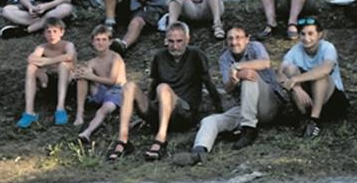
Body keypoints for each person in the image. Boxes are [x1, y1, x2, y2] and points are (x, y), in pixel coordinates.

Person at [107, 21, 220, 161]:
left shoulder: (196, 54)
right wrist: (146, 112)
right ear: (166, 40)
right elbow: (153, 84)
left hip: (183, 112)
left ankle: (161, 139)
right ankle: (123, 140)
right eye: (171, 41)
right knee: (128, 86)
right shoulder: (160, 56)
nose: (175, 46)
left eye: (179, 41)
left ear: (187, 39)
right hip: (161, 108)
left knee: (163, 87)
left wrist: (219, 108)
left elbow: (208, 82)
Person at [174, 26, 284, 165]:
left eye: (238, 37)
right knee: (211, 121)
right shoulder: (224, 58)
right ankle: (199, 151)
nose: (234, 42)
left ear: (247, 39)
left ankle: (248, 130)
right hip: (245, 107)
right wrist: (233, 80)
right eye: (230, 38)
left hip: (269, 105)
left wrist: (238, 67)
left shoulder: (256, 47)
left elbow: (265, 63)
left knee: (249, 75)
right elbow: (228, 88)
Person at [277, 16, 350, 139]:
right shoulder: (295, 50)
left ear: (320, 34)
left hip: (332, 100)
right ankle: (303, 118)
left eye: (311, 33)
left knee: (320, 75)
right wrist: (297, 88)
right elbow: (279, 74)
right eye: (303, 34)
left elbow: (325, 69)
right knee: (290, 69)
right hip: (308, 99)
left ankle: (314, 121)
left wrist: (295, 80)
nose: (306, 38)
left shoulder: (328, 47)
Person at [73, 24, 126, 147]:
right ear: (92, 42)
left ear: (110, 42)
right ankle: (79, 113)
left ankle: (87, 132)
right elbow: (83, 72)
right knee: (82, 77)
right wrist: (77, 73)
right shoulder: (93, 62)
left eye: (104, 40)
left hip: (116, 91)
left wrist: (90, 76)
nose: (100, 43)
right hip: (100, 91)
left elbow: (112, 81)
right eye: (97, 40)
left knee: (104, 109)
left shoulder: (115, 58)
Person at [17, 16, 75, 128]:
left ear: (61, 32)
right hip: (49, 83)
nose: (52, 35)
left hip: (68, 83)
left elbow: (69, 56)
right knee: (31, 67)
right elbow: (31, 59)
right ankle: (29, 112)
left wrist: (46, 62)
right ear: (44, 33)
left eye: (55, 31)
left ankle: (60, 108)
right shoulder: (42, 47)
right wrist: (45, 66)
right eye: (48, 32)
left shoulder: (68, 45)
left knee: (63, 65)